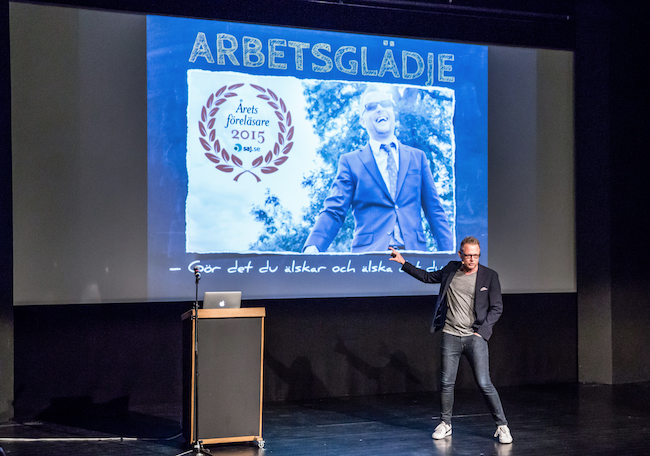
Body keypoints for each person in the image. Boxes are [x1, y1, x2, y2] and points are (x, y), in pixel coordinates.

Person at [388, 236, 513, 444]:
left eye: (476, 255)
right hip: (451, 335)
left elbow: (496, 308)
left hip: (475, 337)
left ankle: (502, 426)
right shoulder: (450, 270)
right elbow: (427, 277)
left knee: (484, 383)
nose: (472, 259)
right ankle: (445, 424)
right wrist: (403, 262)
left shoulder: (489, 276)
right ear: (460, 254)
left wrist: (482, 332)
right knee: (446, 383)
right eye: (468, 255)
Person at [303, 88, 453, 253]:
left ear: (393, 112)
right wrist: (313, 246)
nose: (380, 108)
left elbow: (435, 211)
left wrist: (451, 257)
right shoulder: (350, 162)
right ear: (362, 120)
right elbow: (334, 211)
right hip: (369, 258)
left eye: (385, 103)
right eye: (371, 106)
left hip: (414, 257)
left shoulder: (418, 157)